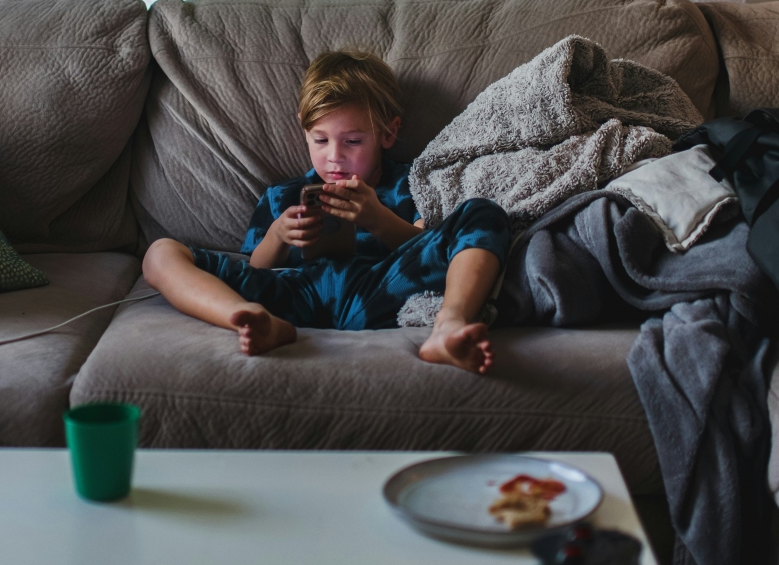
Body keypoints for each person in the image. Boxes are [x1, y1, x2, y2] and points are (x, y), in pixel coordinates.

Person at [142, 50, 511, 374]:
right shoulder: (282, 195)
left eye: (352, 141)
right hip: (296, 292)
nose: (334, 156)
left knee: (483, 213)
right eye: (320, 140)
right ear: (303, 128)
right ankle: (250, 319)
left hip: (378, 286)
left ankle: (450, 325)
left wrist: (378, 220)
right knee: (161, 253)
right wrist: (278, 236)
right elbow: (256, 269)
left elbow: (428, 247)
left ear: (387, 133)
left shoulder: (412, 183)